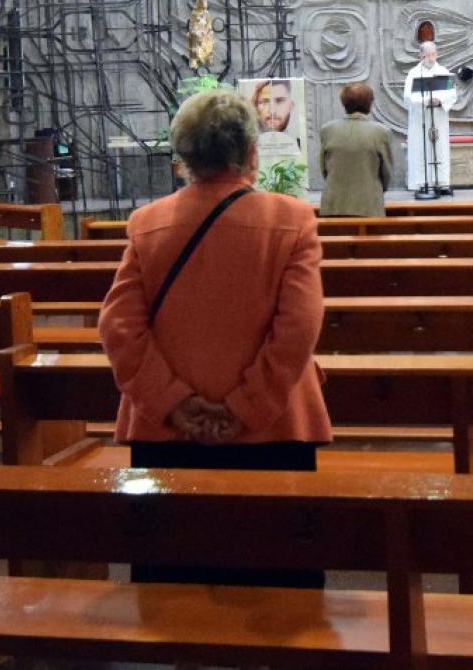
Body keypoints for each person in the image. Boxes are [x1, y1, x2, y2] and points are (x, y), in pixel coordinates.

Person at [97, 89, 330, 586]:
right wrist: (246, 406)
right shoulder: (291, 221)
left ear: (183, 161)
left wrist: (175, 404)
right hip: (273, 428)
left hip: (169, 432)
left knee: (175, 582)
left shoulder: (147, 224)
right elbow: (299, 328)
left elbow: (119, 327)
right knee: (279, 587)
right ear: (251, 153)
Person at [318, 82, 396, 217]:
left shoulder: (327, 130)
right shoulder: (381, 132)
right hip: (368, 205)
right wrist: (376, 188)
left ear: (344, 103)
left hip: (333, 204)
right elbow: (386, 172)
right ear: (369, 104)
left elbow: (324, 168)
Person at [403, 41, 456, 194]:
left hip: (438, 117)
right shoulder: (414, 74)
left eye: (434, 54)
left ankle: (442, 183)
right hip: (421, 119)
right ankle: (421, 183)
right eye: (428, 55)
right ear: (421, 55)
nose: (431, 58)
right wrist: (426, 101)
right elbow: (408, 97)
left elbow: (452, 94)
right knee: (421, 149)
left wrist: (440, 101)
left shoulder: (443, 71)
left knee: (439, 149)